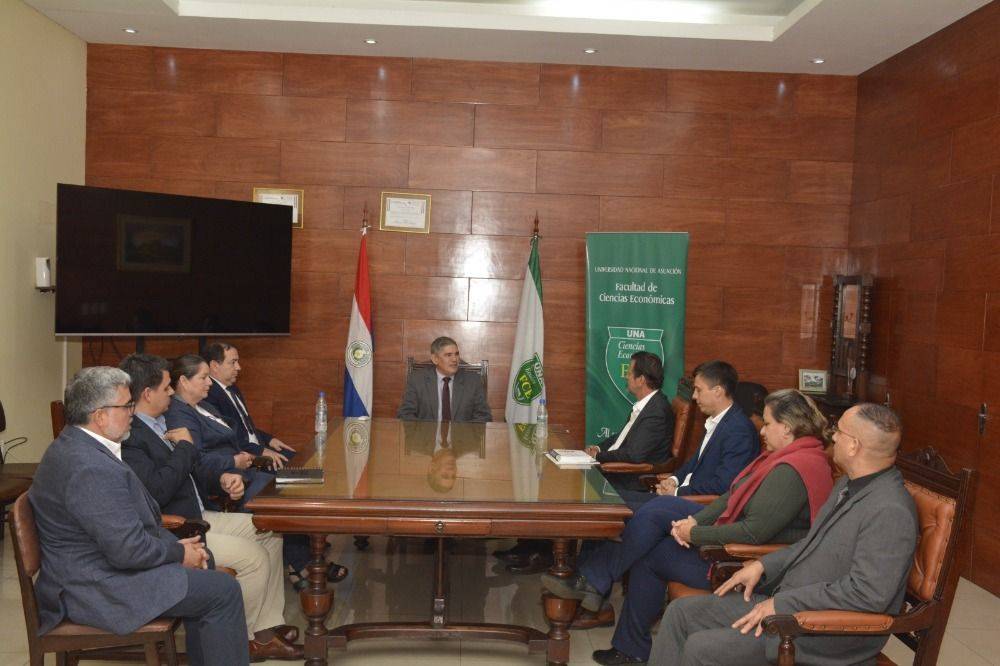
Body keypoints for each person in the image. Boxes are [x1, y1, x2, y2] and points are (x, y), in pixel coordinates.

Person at [543, 389, 835, 665]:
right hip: (732, 536)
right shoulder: (784, 457)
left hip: (748, 563)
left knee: (653, 548)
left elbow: (752, 533)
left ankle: (614, 616)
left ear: (787, 428)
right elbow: (731, 496)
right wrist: (696, 521)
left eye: (768, 424)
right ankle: (603, 595)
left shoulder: (791, 470)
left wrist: (695, 533)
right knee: (658, 511)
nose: (762, 431)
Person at [649, 403, 917, 666]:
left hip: (821, 631)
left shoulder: (890, 510)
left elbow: (866, 594)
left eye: (839, 431)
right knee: (680, 614)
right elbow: (810, 543)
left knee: (701, 648)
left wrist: (784, 604)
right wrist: (763, 565)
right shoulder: (850, 483)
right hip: (790, 604)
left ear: (854, 446)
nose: (833, 436)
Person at [28, 367, 248, 665]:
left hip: (101, 569)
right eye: (126, 405)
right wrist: (178, 553)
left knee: (206, 567)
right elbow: (127, 550)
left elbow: (126, 533)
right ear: (100, 415)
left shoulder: (78, 445)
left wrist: (179, 550)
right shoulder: (88, 467)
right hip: (96, 587)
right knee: (223, 591)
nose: (132, 412)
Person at [119, 353, 303, 661]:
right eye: (166, 387)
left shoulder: (163, 421)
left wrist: (222, 478)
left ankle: (264, 626)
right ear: (148, 393)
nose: (172, 393)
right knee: (254, 558)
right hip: (179, 527)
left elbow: (195, 466)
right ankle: (243, 638)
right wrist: (185, 447)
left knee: (271, 530)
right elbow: (158, 490)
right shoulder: (132, 436)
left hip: (200, 512)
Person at [164, 354, 348, 591]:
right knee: (288, 496)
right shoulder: (179, 414)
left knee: (313, 479)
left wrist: (254, 451)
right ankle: (303, 563)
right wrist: (234, 460)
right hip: (225, 481)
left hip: (246, 470)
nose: (209, 383)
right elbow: (196, 459)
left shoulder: (205, 406)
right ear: (183, 381)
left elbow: (239, 434)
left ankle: (310, 551)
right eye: (203, 378)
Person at [652, 360, 759, 498]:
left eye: (698, 390)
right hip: (683, 496)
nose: (694, 396)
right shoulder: (716, 420)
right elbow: (696, 463)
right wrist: (673, 480)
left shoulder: (739, 430)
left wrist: (676, 493)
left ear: (718, 391)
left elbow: (723, 485)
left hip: (696, 505)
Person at [585, 351, 676, 496]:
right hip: (614, 473)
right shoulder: (647, 405)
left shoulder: (657, 411)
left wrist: (598, 456)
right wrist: (598, 448)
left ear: (641, 380)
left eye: (628, 373)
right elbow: (621, 438)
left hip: (628, 482)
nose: (626, 377)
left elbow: (633, 455)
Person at [202, 341, 296, 469]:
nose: (238, 367)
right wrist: (261, 452)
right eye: (233, 362)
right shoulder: (208, 395)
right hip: (245, 458)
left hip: (257, 447)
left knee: (300, 459)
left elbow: (245, 428)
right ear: (214, 365)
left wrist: (269, 440)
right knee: (296, 470)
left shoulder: (232, 388)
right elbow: (228, 438)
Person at [397, 336, 492, 422]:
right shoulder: (417, 379)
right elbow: (405, 414)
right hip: (426, 435)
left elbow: (483, 416)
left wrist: (465, 434)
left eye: (456, 354)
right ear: (435, 359)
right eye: (448, 355)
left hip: (462, 435)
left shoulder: (473, 381)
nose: (455, 359)